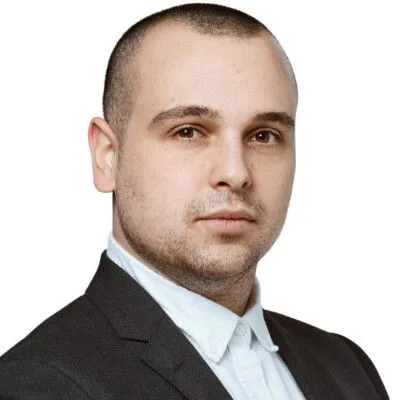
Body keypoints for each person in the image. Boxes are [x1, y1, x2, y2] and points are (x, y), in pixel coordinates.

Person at [0, 3, 389, 399]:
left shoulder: (346, 366)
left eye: (264, 136)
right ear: (107, 157)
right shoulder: (35, 385)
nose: (236, 172)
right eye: (188, 131)